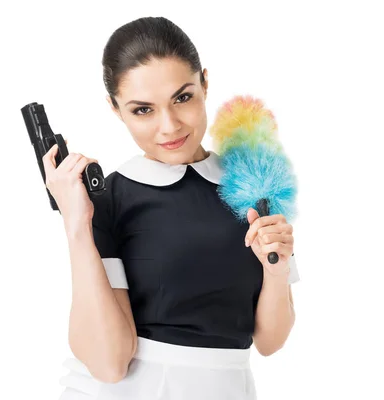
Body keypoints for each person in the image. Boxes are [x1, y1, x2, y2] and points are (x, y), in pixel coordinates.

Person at [43, 16, 300, 400]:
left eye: (183, 98)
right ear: (116, 109)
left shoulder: (252, 182)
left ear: (205, 84)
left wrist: (275, 270)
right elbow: (109, 364)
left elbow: (269, 341)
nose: (169, 126)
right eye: (142, 110)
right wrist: (77, 225)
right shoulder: (107, 200)